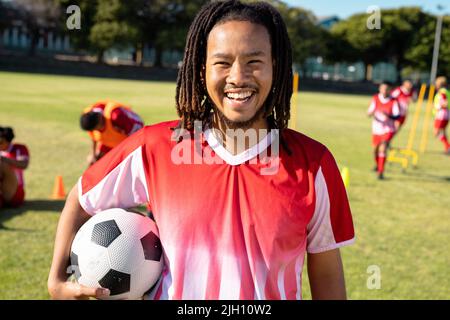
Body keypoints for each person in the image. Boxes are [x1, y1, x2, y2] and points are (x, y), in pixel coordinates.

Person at [48, 0, 355, 300]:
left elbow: (326, 270)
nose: (237, 77)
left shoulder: (314, 163)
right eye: (223, 63)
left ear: (276, 67)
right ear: (201, 69)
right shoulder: (154, 147)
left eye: (254, 62)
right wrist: (57, 280)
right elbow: (82, 197)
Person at [80, 100, 144, 165]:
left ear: (100, 118)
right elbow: (93, 136)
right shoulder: (88, 117)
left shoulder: (116, 117)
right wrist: (93, 154)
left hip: (129, 135)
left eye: (98, 128)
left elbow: (136, 135)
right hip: (113, 137)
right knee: (95, 161)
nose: (98, 130)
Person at [367, 81, 400, 180]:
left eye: (387, 89)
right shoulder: (376, 98)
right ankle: (378, 165)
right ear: (380, 89)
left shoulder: (394, 101)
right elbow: (369, 112)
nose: (385, 91)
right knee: (375, 150)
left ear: (390, 90)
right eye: (383, 88)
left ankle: (380, 172)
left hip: (388, 129)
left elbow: (397, 115)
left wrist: (388, 116)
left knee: (383, 148)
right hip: (377, 129)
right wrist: (370, 113)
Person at [0, 127, 30, 209]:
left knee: (1, 164)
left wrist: (3, 159)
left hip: (15, 191)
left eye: (0, 142)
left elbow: (24, 164)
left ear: (8, 141)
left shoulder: (19, 148)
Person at [433, 76, 450, 153]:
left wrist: (439, 107)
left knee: (436, 132)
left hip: (442, 115)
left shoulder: (442, 92)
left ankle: (448, 147)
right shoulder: (446, 91)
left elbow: (445, 103)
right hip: (446, 114)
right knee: (442, 132)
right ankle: (447, 148)